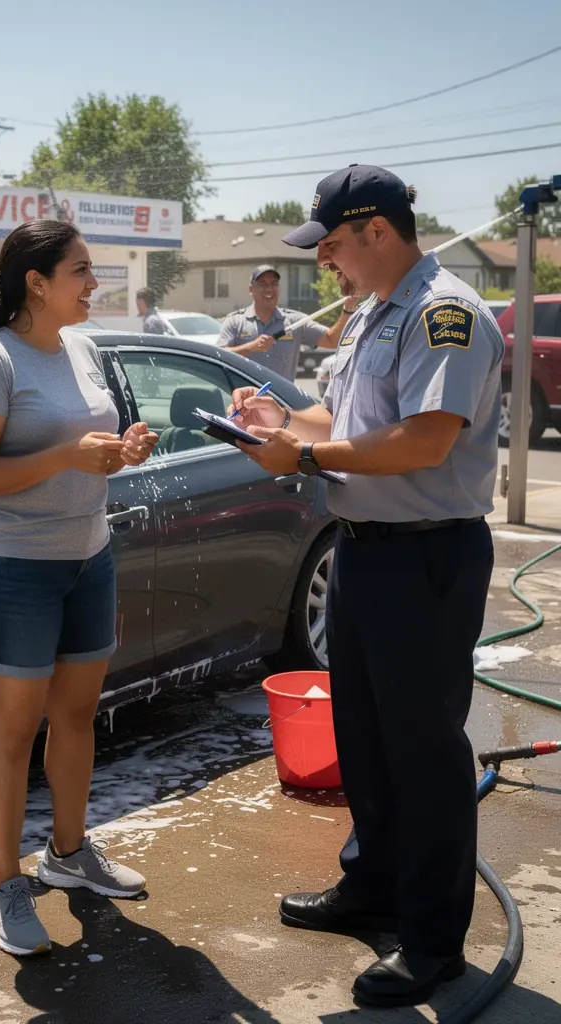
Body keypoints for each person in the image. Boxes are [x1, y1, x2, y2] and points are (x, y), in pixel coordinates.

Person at [229, 165, 502, 1008]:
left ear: (379, 230)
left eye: (336, 245)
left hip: (424, 557)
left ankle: (431, 941)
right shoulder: (373, 314)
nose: (329, 264)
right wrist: (282, 426)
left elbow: (422, 441)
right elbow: (348, 426)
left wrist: (304, 457)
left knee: (423, 753)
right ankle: (371, 886)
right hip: (363, 553)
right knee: (369, 742)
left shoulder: (441, 312)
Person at [0, 220, 158, 956]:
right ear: (36, 282)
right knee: (11, 734)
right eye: (81, 271)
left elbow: (83, 450)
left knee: (76, 717)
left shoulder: (83, 346)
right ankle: (6, 884)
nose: (93, 284)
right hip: (9, 567)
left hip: (86, 556)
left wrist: (118, 454)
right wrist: (70, 453)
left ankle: (69, 854)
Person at [218, 264, 354, 381]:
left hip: (282, 404)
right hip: (245, 404)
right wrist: (250, 348)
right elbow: (219, 355)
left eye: (274, 284)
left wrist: (347, 310)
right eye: (262, 284)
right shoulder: (235, 322)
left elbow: (332, 340)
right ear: (251, 289)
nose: (269, 289)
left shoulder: (295, 321)